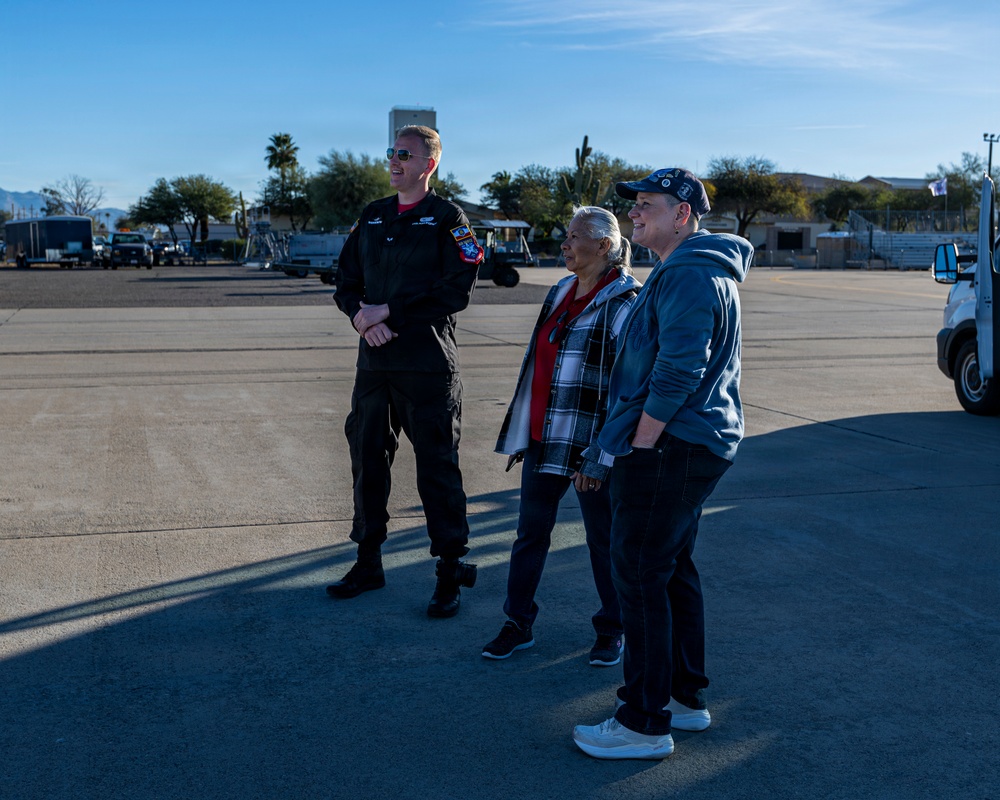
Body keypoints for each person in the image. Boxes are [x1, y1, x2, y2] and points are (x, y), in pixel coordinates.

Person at [571, 168, 753, 760]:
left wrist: (642, 442)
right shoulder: (689, 268)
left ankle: (642, 724)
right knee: (670, 569)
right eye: (634, 206)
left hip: (672, 443)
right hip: (689, 442)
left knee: (640, 572)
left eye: (647, 205)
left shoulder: (691, 272)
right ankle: (683, 698)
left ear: (683, 215)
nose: (634, 214)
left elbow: (680, 368)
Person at [327, 125, 483, 618]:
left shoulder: (448, 219)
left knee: (437, 468)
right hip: (375, 365)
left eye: (404, 154)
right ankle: (367, 561)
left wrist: (387, 311)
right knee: (367, 463)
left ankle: (449, 572)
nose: (393, 161)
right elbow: (345, 281)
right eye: (391, 152)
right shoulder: (372, 216)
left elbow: (456, 288)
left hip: (426, 366)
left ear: (428, 165)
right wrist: (360, 316)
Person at [485, 207, 640, 664]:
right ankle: (518, 622)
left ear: (604, 247)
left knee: (603, 540)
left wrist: (602, 455)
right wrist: (521, 432)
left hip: (592, 447)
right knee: (530, 535)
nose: (565, 244)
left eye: (575, 237)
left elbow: (627, 387)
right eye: (566, 236)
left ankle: (613, 628)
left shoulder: (626, 303)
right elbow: (539, 366)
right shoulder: (559, 290)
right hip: (543, 439)